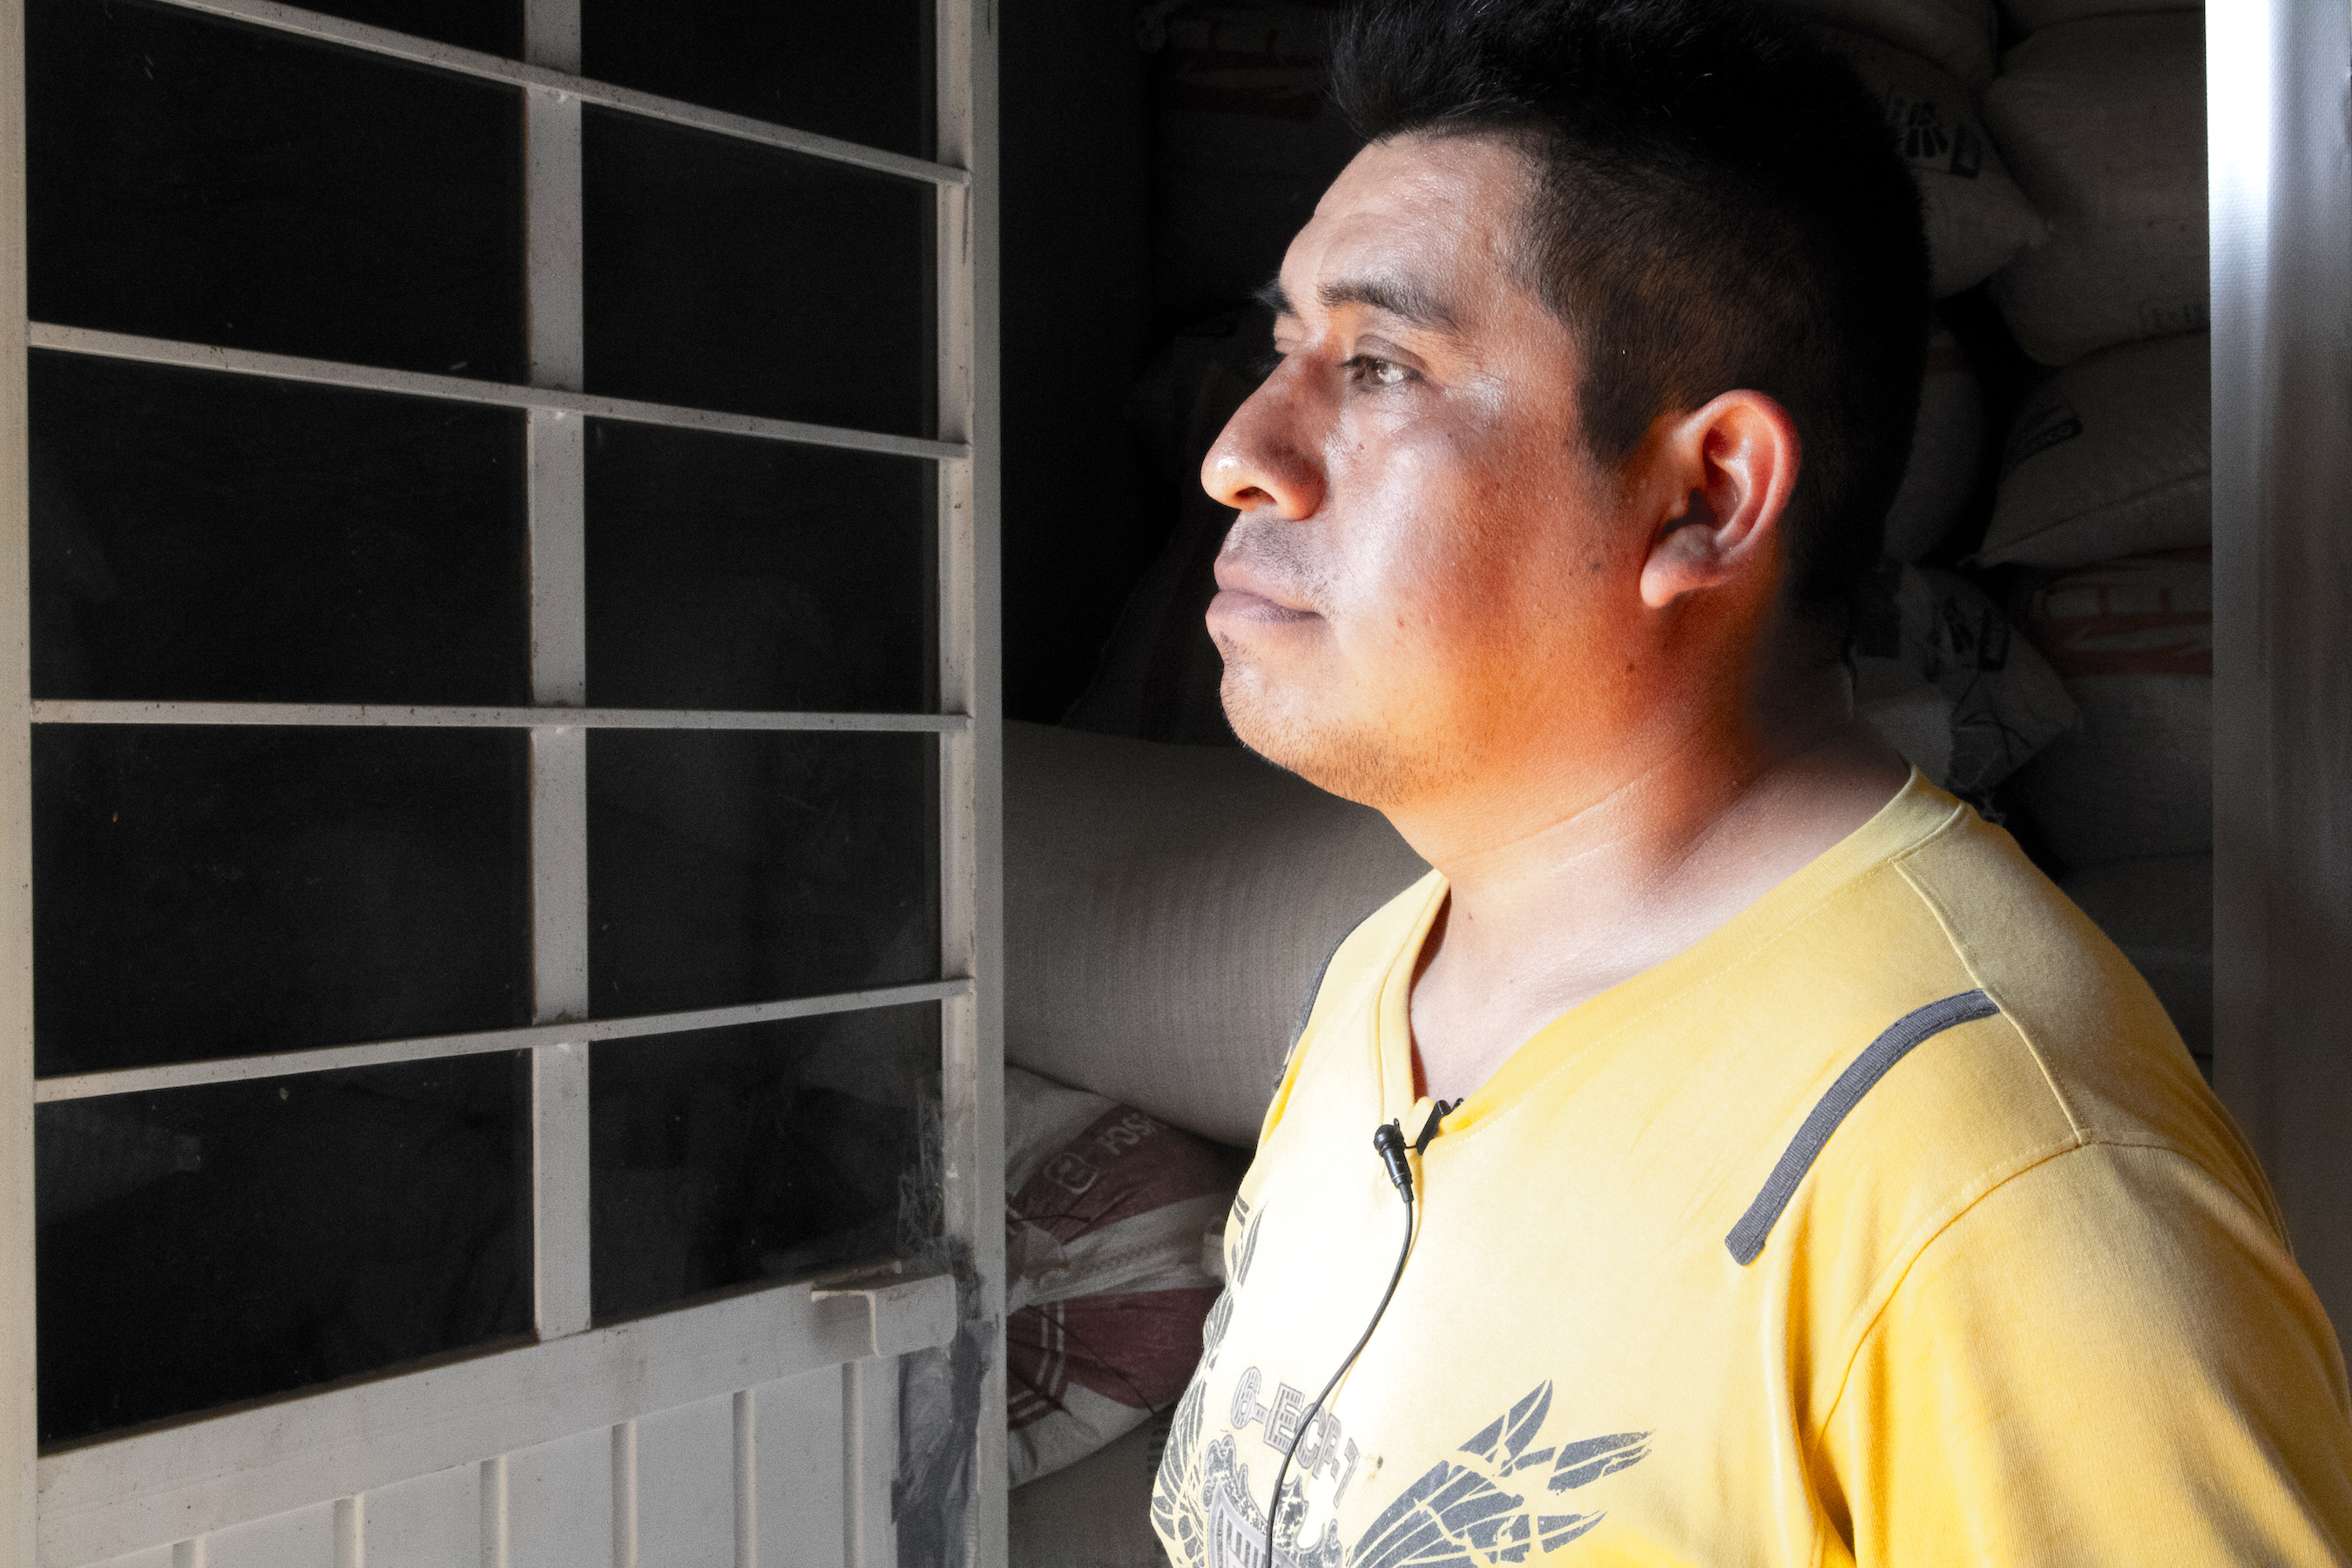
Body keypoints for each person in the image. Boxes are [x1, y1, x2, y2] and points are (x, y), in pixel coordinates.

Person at [1145, 1, 2352, 1563]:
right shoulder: (1392, 977)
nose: (1240, 451)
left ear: (1707, 497)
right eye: (1283, 348)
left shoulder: (1997, 1181)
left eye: (1378, 367)